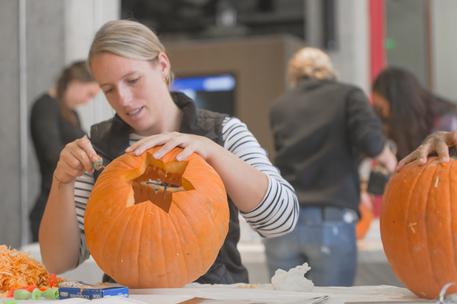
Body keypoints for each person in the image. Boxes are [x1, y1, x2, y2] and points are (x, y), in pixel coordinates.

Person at [38, 19, 299, 284]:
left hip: (214, 296)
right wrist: (62, 183)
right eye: (109, 90)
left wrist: (214, 153)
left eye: (132, 80)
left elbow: (282, 221)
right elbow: (59, 261)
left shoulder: (223, 132)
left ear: (162, 65)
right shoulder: (97, 147)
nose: (124, 100)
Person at [263, 47, 397, 286]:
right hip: (330, 220)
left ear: (293, 76)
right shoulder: (348, 95)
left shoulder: (279, 106)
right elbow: (370, 141)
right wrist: (388, 158)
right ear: (329, 70)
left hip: (281, 219)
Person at [29, 61, 99, 242]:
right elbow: (52, 155)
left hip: (70, 207)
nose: (88, 100)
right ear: (76, 81)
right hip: (50, 205)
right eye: (89, 94)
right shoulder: (45, 106)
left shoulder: (71, 113)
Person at [372, 67, 457, 160]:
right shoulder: (408, 131)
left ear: (400, 107)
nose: (382, 117)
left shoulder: (447, 122)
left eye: (380, 110)